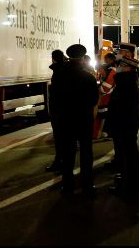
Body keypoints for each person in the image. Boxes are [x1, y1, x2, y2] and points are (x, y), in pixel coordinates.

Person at [57, 43, 99, 198]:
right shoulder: (88, 77)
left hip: (66, 120)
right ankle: (87, 185)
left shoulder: (60, 77)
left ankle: (67, 185)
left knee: (67, 153)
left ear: (69, 57)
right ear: (82, 59)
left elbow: (56, 100)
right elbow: (94, 99)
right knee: (86, 152)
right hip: (84, 119)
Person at [108, 42, 139, 194]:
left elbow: (120, 104)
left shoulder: (126, 79)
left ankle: (127, 185)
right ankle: (129, 181)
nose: (118, 67)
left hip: (125, 121)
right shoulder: (131, 76)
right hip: (129, 120)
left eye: (121, 65)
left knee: (127, 152)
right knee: (129, 151)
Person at [46, 49, 68, 173]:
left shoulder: (58, 71)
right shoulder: (67, 70)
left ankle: (59, 162)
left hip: (58, 110)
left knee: (59, 138)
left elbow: (56, 93)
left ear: (54, 58)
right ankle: (64, 162)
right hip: (65, 109)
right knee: (65, 138)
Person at [93, 52, 117, 140]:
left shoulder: (111, 70)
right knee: (106, 115)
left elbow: (106, 86)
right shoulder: (111, 69)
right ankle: (105, 132)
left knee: (105, 115)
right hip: (108, 96)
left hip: (107, 96)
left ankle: (105, 132)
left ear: (109, 59)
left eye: (105, 59)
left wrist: (99, 90)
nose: (105, 61)